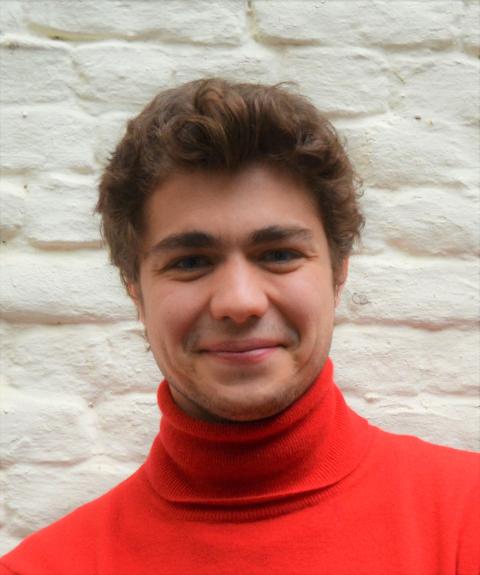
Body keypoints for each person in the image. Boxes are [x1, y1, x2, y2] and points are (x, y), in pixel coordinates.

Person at [1, 78, 478, 575]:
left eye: (279, 254)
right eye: (190, 262)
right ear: (135, 291)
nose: (239, 302)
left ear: (338, 273)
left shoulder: (468, 518)